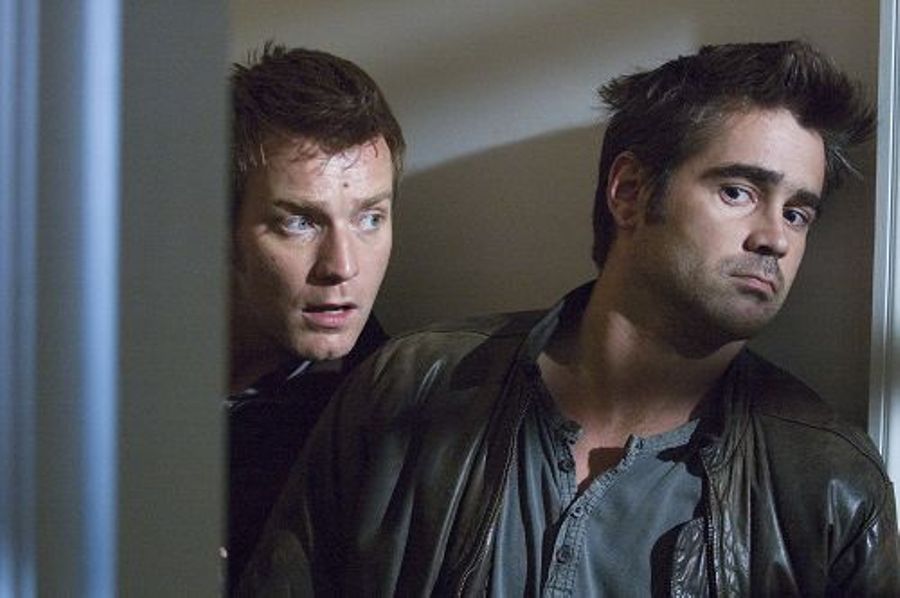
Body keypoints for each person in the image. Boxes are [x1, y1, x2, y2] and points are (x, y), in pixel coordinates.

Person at [242, 40, 899, 595]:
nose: (775, 238)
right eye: (738, 191)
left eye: (797, 212)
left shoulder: (832, 487)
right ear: (630, 192)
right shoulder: (411, 386)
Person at [224, 43, 404, 589]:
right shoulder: (102, 360)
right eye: (300, 222)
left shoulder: (386, 427)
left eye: (370, 218)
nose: (342, 266)